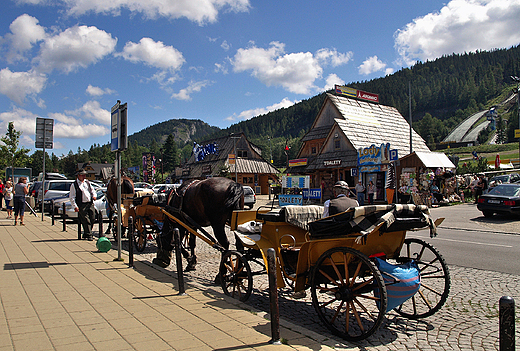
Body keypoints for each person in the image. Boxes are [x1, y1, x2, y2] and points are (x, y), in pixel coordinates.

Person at [70, 169, 97, 240]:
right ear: (78, 176)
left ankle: (86, 233)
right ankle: (89, 235)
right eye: (82, 175)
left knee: (93, 218)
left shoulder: (87, 182)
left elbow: (92, 190)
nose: (84, 176)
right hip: (81, 204)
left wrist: (94, 196)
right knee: (86, 219)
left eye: (85, 175)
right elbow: (72, 197)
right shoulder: (74, 185)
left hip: (90, 203)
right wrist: (75, 206)